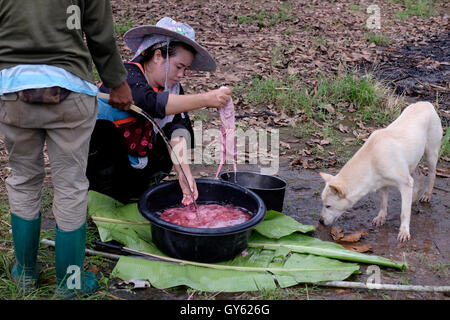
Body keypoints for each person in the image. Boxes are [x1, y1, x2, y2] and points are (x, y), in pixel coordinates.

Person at [0, 0, 133, 298]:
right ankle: (70, 284)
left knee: (23, 178)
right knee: (71, 186)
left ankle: (24, 274)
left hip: (10, 91)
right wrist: (117, 83)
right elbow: (100, 34)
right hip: (70, 90)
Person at [87, 17, 231, 205]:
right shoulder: (125, 76)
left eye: (185, 69)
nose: (181, 75)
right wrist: (206, 99)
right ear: (157, 56)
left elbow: (178, 126)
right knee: (102, 132)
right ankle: (107, 197)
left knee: (183, 131)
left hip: (142, 163)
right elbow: (148, 102)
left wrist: (184, 172)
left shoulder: (172, 89)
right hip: (106, 166)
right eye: (179, 67)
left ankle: (143, 186)